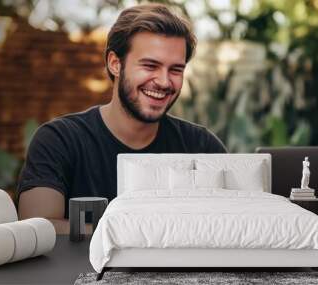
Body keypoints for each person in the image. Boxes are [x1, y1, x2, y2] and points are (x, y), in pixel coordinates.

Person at [17, 3, 227, 234]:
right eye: (150, 65)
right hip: (81, 271)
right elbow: (36, 227)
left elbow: (237, 224)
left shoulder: (201, 146)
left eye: (176, 70)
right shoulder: (60, 140)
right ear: (115, 64)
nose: (165, 82)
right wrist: (142, 232)